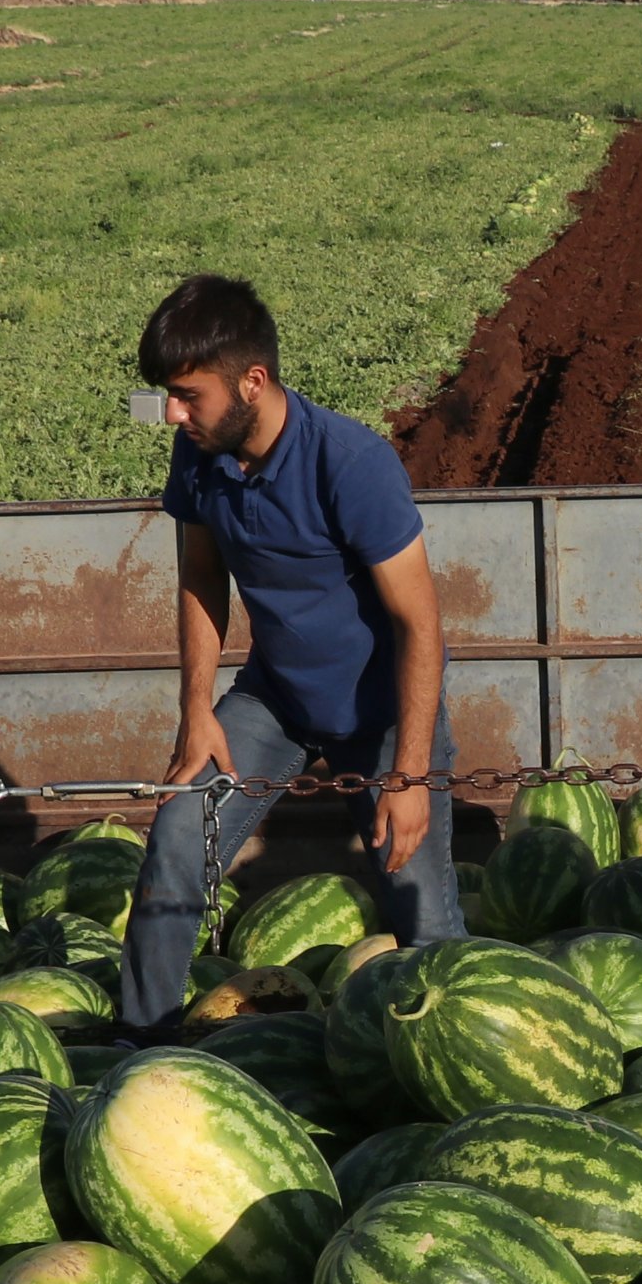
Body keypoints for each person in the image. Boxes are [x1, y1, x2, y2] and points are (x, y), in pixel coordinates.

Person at [115, 273, 460, 1038]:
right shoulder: (199, 453)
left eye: (186, 394)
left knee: (424, 919)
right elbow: (203, 578)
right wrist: (197, 711)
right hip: (274, 701)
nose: (173, 413)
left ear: (253, 380)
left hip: (379, 716)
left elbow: (421, 624)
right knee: (177, 833)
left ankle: (450, 1075)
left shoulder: (351, 463)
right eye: (169, 397)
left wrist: (408, 774)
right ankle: (139, 1045)